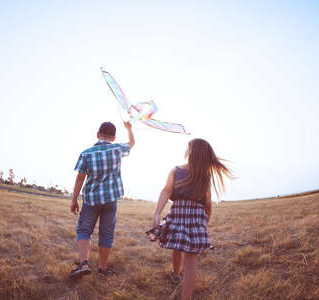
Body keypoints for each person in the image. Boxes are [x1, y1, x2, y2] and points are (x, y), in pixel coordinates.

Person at [152, 138, 231, 300]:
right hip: (198, 214)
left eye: (187, 147)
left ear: (191, 152)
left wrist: (157, 213)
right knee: (191, 257)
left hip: (179, 211)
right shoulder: (205, 175)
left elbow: (166, 191)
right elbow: (208, 202)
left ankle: (175, 273)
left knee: (177, 244)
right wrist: (206, 220)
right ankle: (183, 292)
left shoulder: (176, 170)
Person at [69, 121, 134, 280]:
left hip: (91, 199)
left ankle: (84, 263)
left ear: (98, 135)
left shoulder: (86, 153)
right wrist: (129, 129)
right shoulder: (117, 149)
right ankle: (102, 270)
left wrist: (74, 199)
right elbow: (132, 143)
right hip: (111, 200)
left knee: (84, 230)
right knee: (106, 233)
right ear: (113, 137)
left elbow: (80, 178)